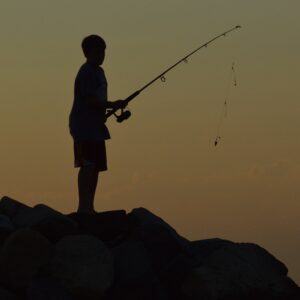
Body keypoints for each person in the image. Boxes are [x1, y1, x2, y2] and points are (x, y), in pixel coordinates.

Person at [69, 34, 126, 214]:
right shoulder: (86, 71)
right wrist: (113, 104)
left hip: (96, 126)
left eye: (104, 51)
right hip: (84, 126)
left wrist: (110, 108)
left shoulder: (99, 72)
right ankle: (83, 208)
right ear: (88, 53)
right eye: (99, 51)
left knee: (96, 167)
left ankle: (90, 207)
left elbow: (98, 101)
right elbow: (90, 100)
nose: (102, 55)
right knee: (87, 164)